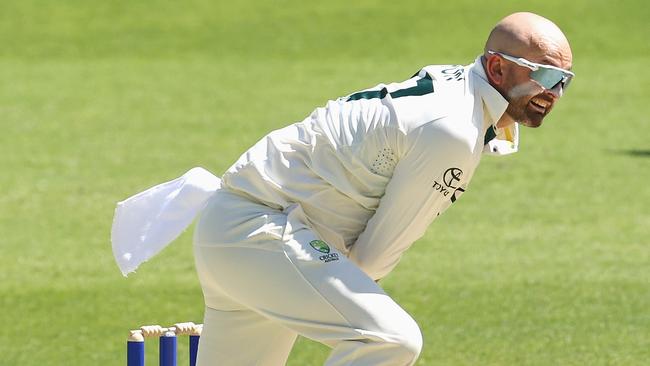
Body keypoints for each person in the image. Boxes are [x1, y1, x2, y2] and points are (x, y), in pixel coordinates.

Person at [111, 11, 573, 366]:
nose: (553, 93)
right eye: (545, 76)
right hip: (263, 233)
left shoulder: (458, 92)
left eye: (564, 82)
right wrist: (335, 285)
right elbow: (373, 259)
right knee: (391, 338)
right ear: (496, 66)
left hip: (243, 233)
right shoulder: (453, 129)